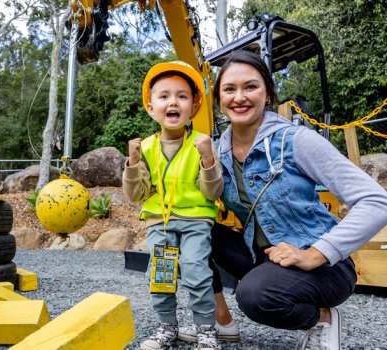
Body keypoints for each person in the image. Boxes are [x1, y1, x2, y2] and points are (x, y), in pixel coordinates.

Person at [194, 50, 387, 350]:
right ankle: (221, 321)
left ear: (268, 94)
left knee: (254, 296)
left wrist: (315, 253)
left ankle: (323, 318)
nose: (239, 97)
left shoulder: (296, 141)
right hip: (267, 257)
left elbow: (377, 201)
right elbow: (200, 197)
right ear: (218, 100)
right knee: (190, 231)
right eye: (229, 89)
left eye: (251, 87)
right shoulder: (218, 153)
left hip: (323, 268)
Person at [123, 61, 224, 350]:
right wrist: (131, 162)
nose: (173, 102)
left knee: (195, 270)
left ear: (193, 107)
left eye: (182, 96)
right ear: (150, 107)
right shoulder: (146, 148)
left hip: (195, 221)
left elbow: (213, 190)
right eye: (164, 96)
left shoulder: (202, 144)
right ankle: (168, 327)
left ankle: (205, 330)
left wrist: (208, 159)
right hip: (161, 222)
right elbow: (136, 194)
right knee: (162, 275)